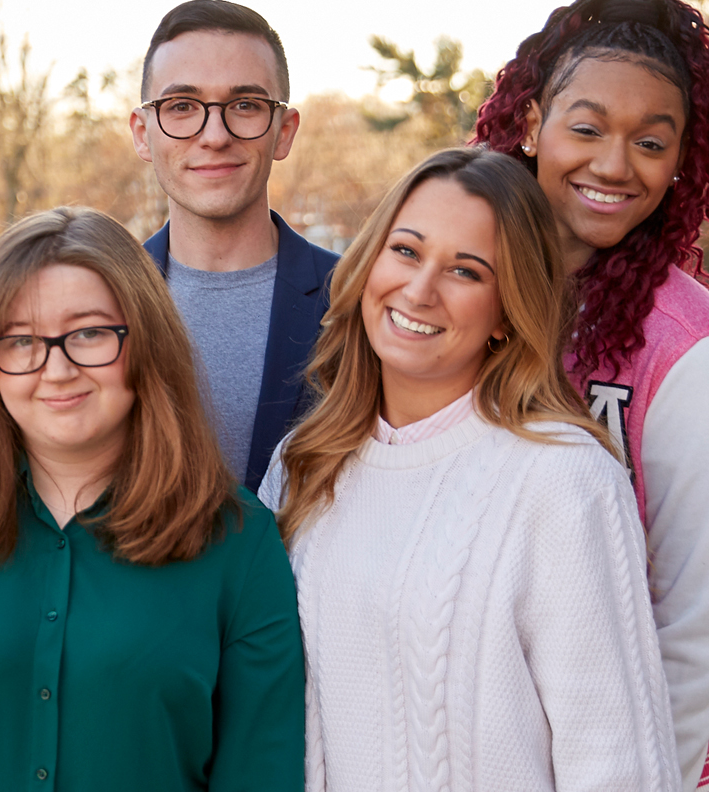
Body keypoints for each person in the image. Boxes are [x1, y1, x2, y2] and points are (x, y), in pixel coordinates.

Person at [0, 207, 304, 792]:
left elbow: (260, 774)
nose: (57, 368)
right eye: (20, 341)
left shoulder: (239, 543)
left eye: (90, 333)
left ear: (145, 340)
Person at [473, 0, 709, 791]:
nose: (613, 165)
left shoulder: (701, 361)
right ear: (532, 126)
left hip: (697, 768)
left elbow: (698, 642)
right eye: (586, 128)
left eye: (650, 143)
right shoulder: (472, 301)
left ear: (679, 162)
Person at [260, 148, 679, 791]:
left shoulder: (564, 482)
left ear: (508, 313)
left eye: (465, 270)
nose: (420, 290)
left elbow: (615, 758)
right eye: (405, 251)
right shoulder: (302, 467)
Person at [130, 0, 340, 491]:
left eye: (245, 105)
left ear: (284, 132)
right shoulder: (100, 300)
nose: (215, 135)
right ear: (143, 135)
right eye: (182, 106)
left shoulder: (355, 300)